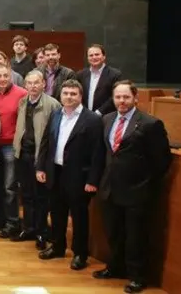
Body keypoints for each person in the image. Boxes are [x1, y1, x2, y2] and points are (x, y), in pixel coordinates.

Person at [93, 80, 172, 294]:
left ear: (135, 97)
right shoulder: (107, 120)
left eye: (126, 97)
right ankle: (115, 267)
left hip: (137, 191)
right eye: (118, 97)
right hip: (110, 188)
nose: (121, 101)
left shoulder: (150, 124)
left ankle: (137, 276)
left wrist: (145, 182)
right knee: (114, 233)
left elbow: (162, 161)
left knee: (136, 236)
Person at [36, 80, 105, 271]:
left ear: (80, 96)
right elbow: (46, 142)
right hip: (55, 172)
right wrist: (40, 167)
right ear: (61, 95)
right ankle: (58, 247)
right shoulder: (56, 114)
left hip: (78, 176)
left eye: (73, 94)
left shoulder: (92, 120)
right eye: (66, 93)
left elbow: (98, 153)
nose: (69, 97)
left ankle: (80, 253)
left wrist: (92, 180)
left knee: (79, 217)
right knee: (57, 213)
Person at [11, 70, 60, 250]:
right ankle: (28, 228)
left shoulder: (53, 105)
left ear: (43, 84)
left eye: (36, 82)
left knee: (41, 197)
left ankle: (41, 232)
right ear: (25, 85)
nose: (32, 86)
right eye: (29, 83)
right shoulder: (22, 102)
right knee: (26, 195)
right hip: (23, 154)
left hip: (40, 157)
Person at [0, 65, 27, 236]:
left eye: (5, 76)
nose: (2, 79)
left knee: (10, 186)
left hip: (10, 145)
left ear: (11, 76)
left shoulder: (21, 94)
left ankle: (13, 222)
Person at [76, 44, 122, 116]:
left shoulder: (115, 74)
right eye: (91, 55)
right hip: (84, 116)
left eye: (97, 54)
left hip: (106, 116)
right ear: (87, 58)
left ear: (104, 56)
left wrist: (99, 112)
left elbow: (114, 96)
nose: (94, 57)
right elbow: (78, 94)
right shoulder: (81, 74)